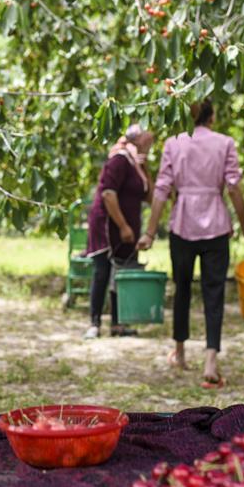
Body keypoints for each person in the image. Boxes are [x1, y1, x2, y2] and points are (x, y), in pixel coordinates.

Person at [136, 100, 244, 388]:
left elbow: (162, 189)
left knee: (182, 289)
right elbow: (233, 187)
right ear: (213, 115)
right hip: (217, 226)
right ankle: (210, 360)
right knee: (214, 292)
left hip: (182, 225)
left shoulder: (173, 143)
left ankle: (179, 353)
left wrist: (150, 232)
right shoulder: (225, 143)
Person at [83, 125, 154, 339]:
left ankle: (118, 324)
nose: (151, 142)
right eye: (148, 138)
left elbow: (150, 197)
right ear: (138, 140)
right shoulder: (120, 159)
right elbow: (108, 194)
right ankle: (95, 323)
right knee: (103, 271)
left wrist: (147, 168)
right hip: (108, 226)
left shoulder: (136, 165)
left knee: (121, 274)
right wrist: (123, 225)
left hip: (126, 229)